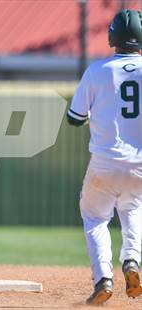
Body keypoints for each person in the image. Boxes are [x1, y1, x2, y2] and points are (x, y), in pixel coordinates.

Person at [67, 9, 142, 305]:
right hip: (140, 163)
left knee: (95, 217)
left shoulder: (97, 70)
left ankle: (103, 279)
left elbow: (74, 118)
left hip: (105, 161)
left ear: (113, 37)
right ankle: (132, 261)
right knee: (133, 208)